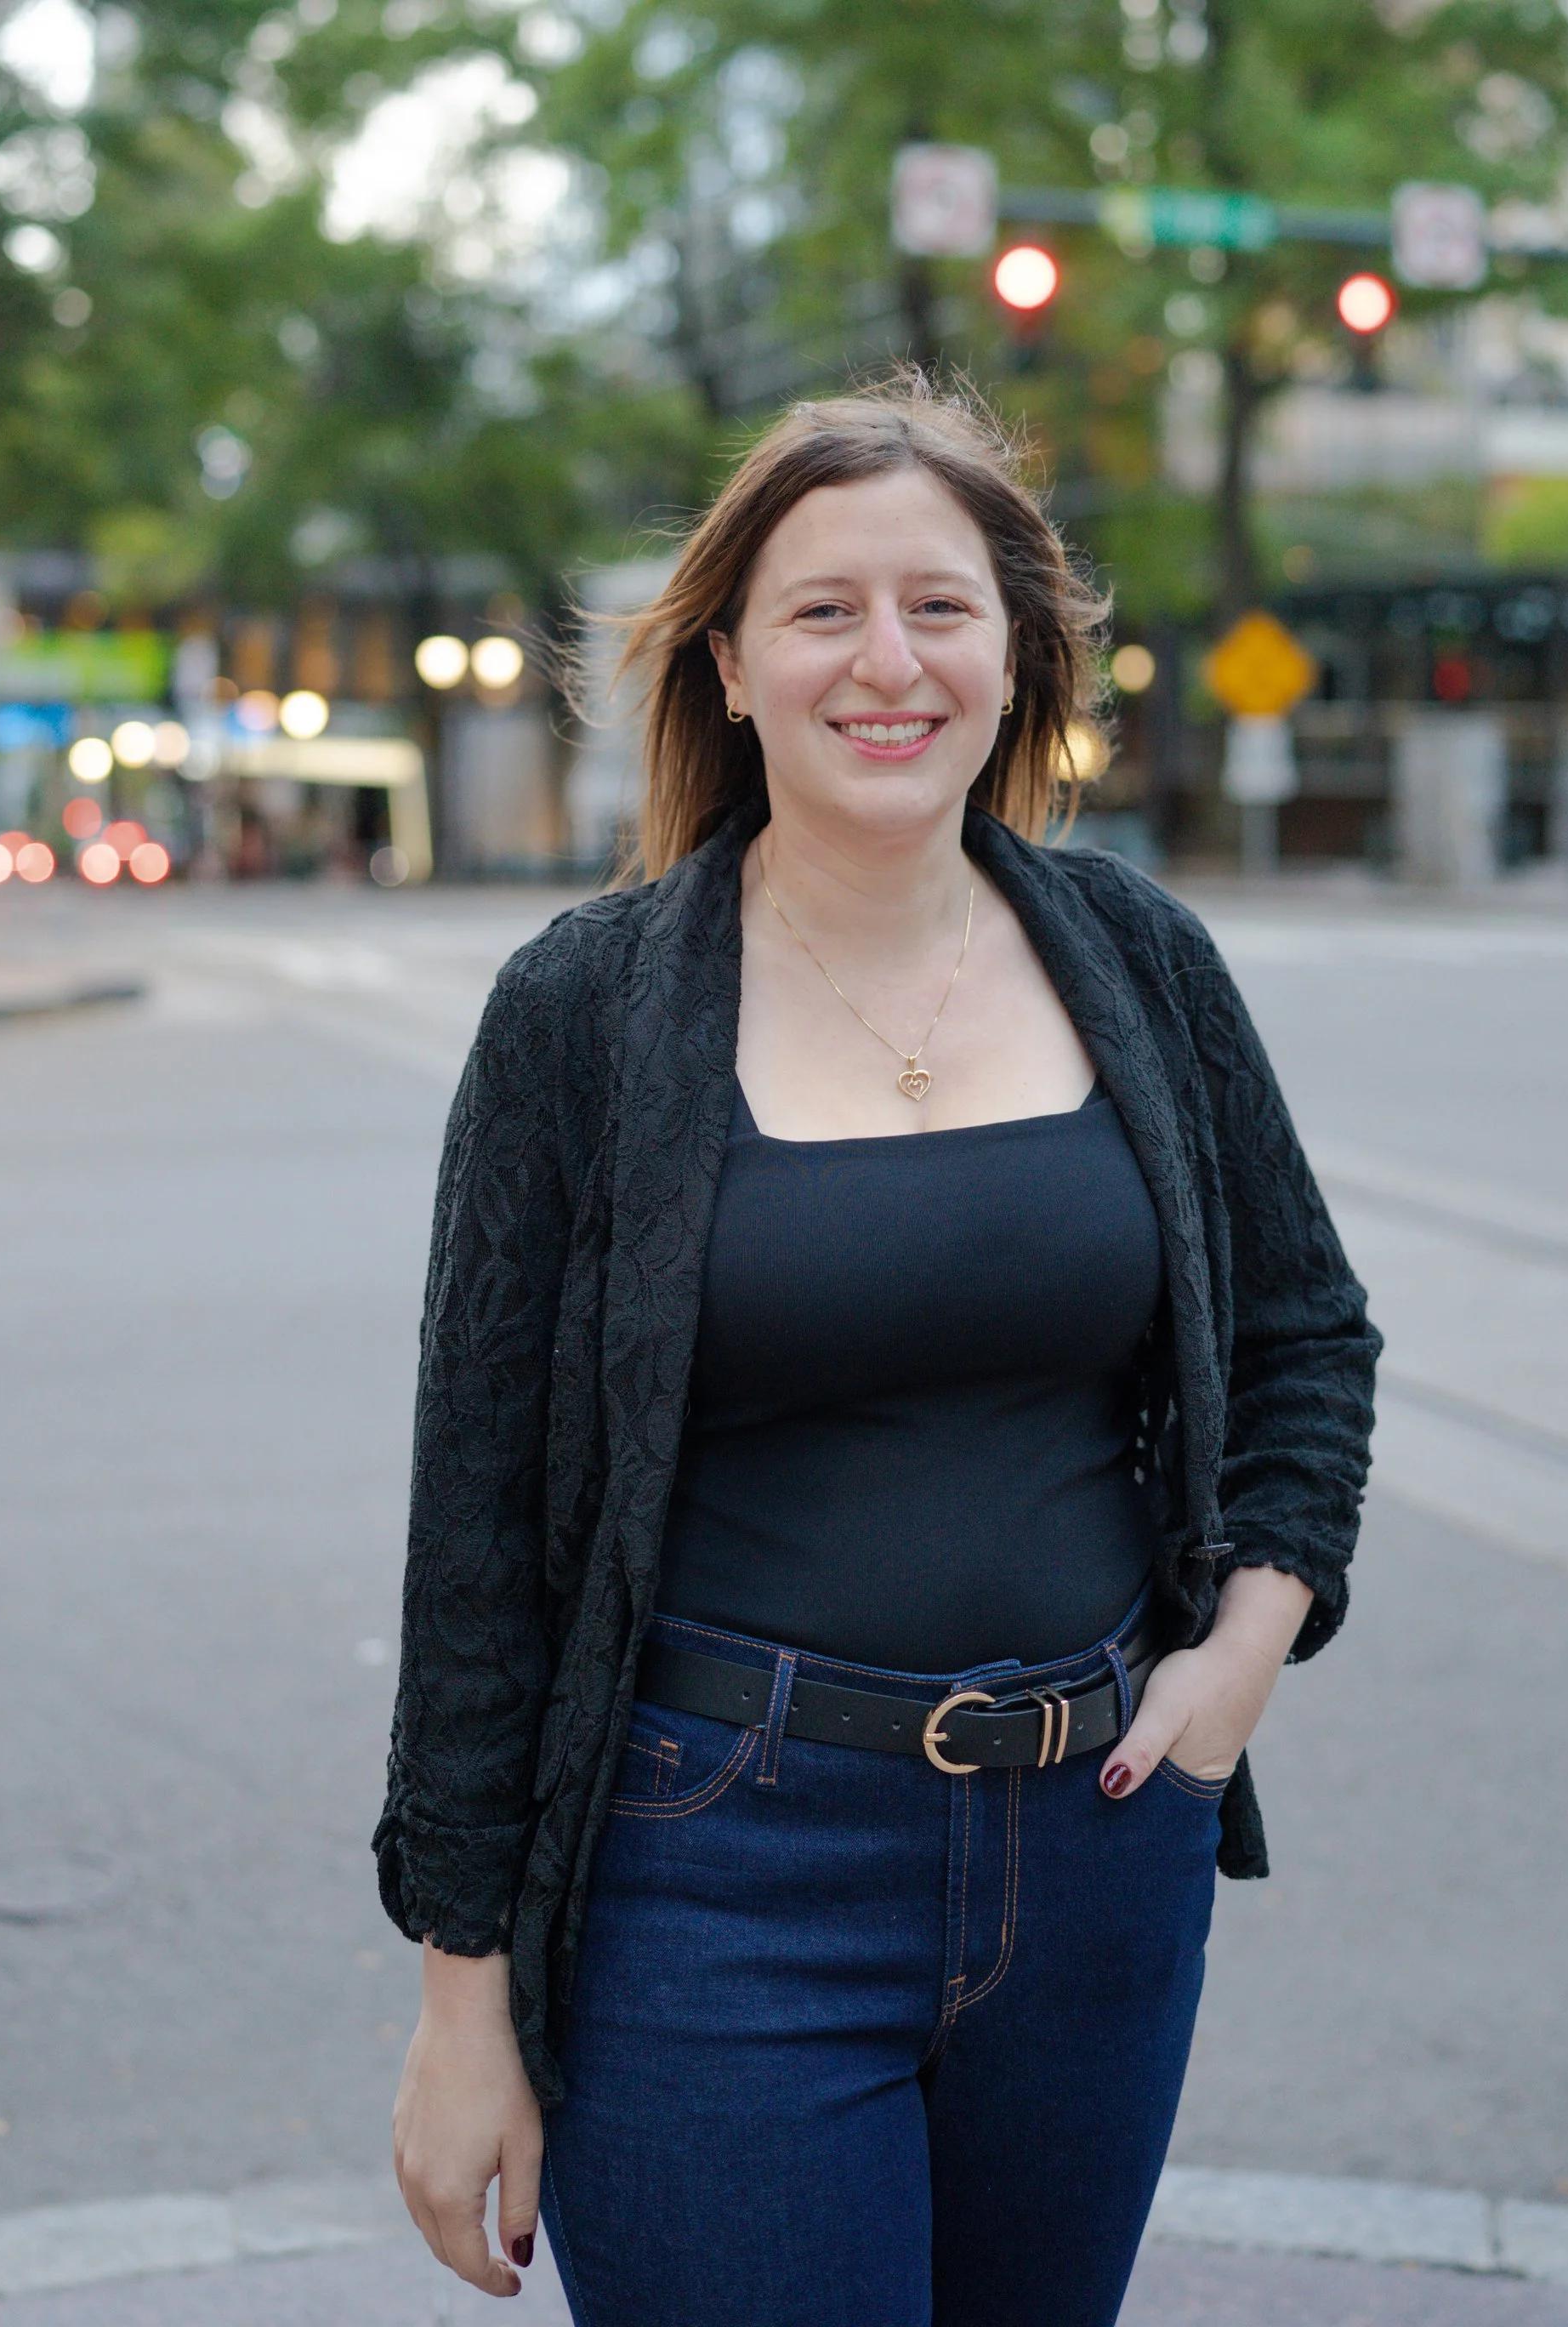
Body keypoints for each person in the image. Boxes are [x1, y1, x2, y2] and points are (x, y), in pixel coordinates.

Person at [378, 374, 1380, 2327]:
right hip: (710, 1881)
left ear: (1017, 656)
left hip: (1096, 1855)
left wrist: (1242, 1652)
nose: (885, 660)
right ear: (732, 669)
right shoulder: (582, 1014)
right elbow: (477, 1536)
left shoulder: (1140, 962)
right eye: (822, 610)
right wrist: (456, 1995)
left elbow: (1302, 1336)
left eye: (938, 605)